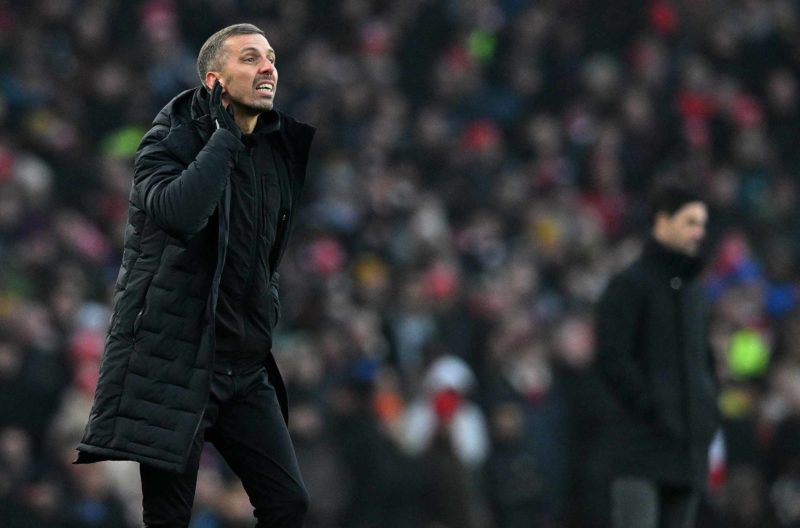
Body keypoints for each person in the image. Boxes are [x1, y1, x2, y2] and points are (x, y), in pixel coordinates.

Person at [74, 23, 315, 527]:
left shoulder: (275, 152)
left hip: (244, 368)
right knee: (169, 518)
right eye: (250, 58)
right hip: (176, 363)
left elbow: (266, 255)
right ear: (214, 81)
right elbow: (179, 215)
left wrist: (264, 309)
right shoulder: (170, 139)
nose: (269, 67)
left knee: (288, 504)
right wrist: (226, 138)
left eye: (271, 57)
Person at [594, 184, 719, 528]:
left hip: (687, 450)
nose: (699, 232)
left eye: (702, 223)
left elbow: (703, 360)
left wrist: (705, 413)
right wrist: (654, 406)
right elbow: (611, 359)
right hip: (641, 447)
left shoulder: (694, 291)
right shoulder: (628, 285)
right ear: (662, 223)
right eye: (690, 221)